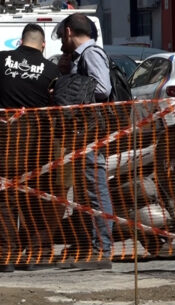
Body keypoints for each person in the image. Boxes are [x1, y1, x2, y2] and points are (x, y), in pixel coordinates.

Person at [0, 23, 60, 272]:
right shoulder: (51, 69)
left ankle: (7, 255)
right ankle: (37, 254)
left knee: (3, 197)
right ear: (43, 45)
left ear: (21, 41)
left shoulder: (1, 59)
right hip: (38, 140)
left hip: (6, 137)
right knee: (37, 198)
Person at [55, 12, 113, 270]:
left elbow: (103, 89)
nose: (61, 42)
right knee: (86, 192)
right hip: (83, 134)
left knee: (95, 189)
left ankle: (102, 251)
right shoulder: (81, 57)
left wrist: (71, 84)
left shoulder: (91, 54)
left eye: (61, 36)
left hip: (91, 134)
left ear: (69, 31)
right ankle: (91, 247)